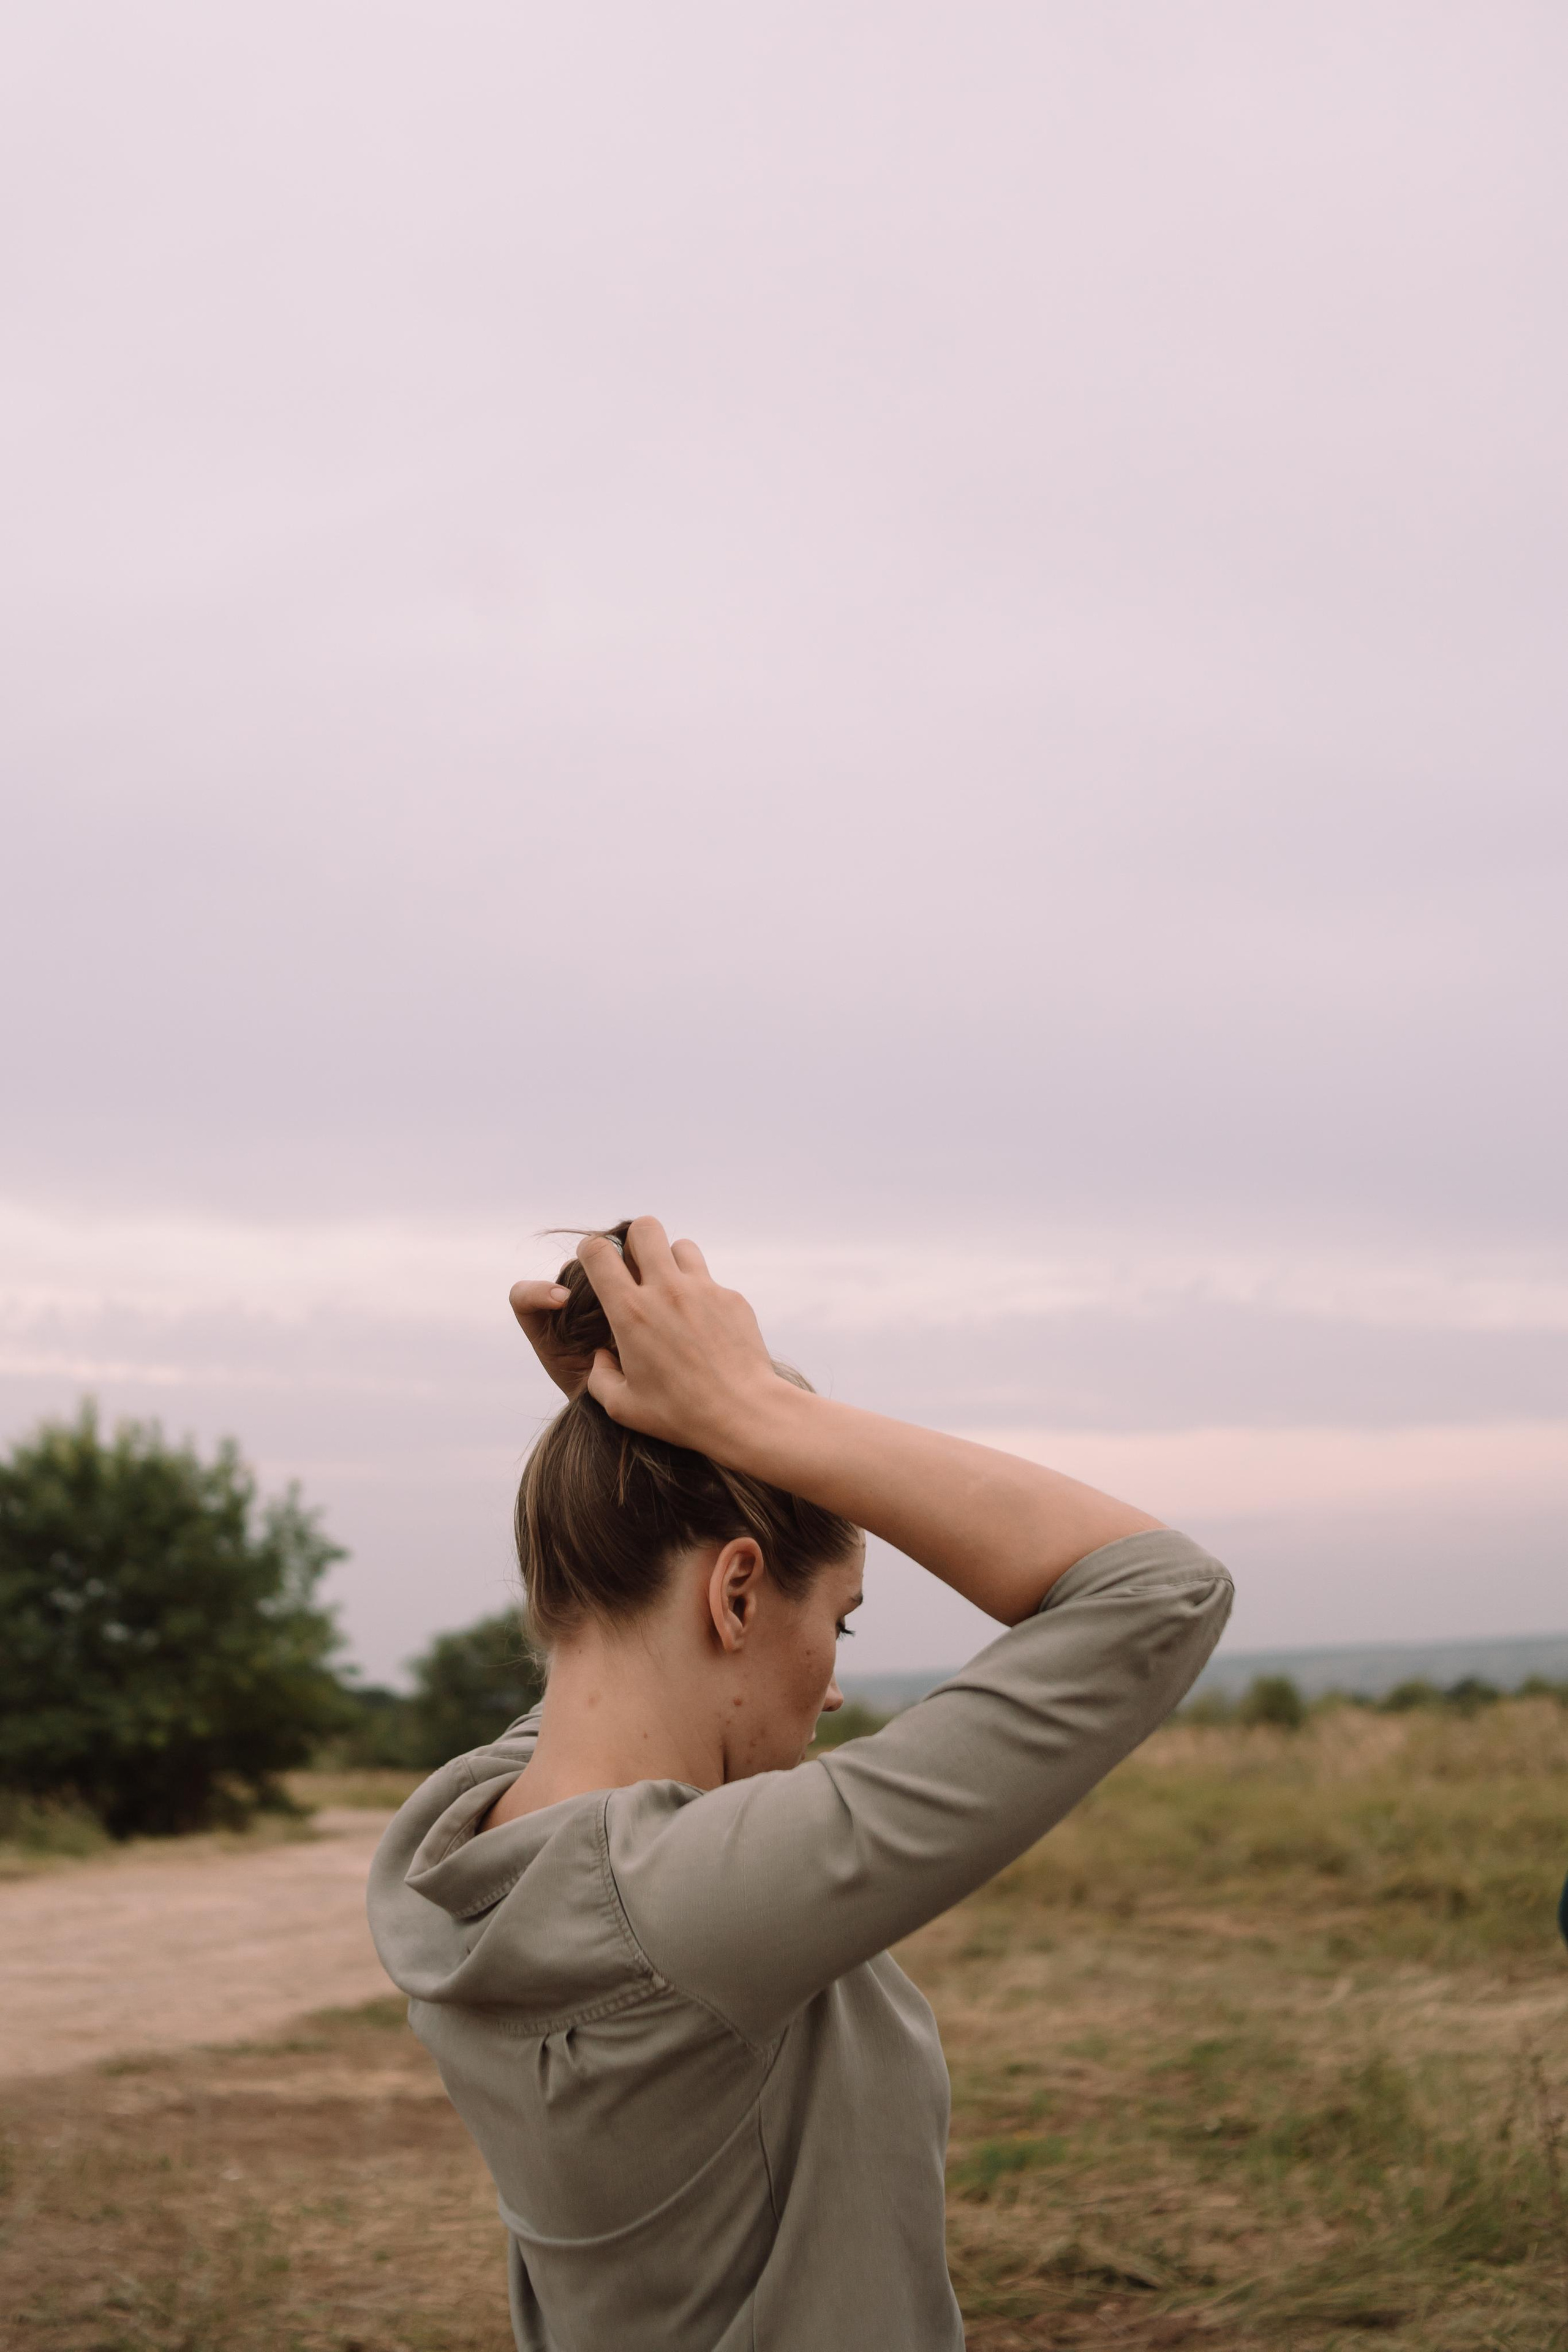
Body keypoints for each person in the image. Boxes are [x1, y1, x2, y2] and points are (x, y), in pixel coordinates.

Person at [368, 1217, 1233, 2351]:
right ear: (737, 1595)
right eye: (840, 1623)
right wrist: (750, 1415)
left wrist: (633, 1433)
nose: (831, 1691)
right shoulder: (689, 1907)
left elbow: (602, 1676)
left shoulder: (460, 1850)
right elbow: (1161, 1592)